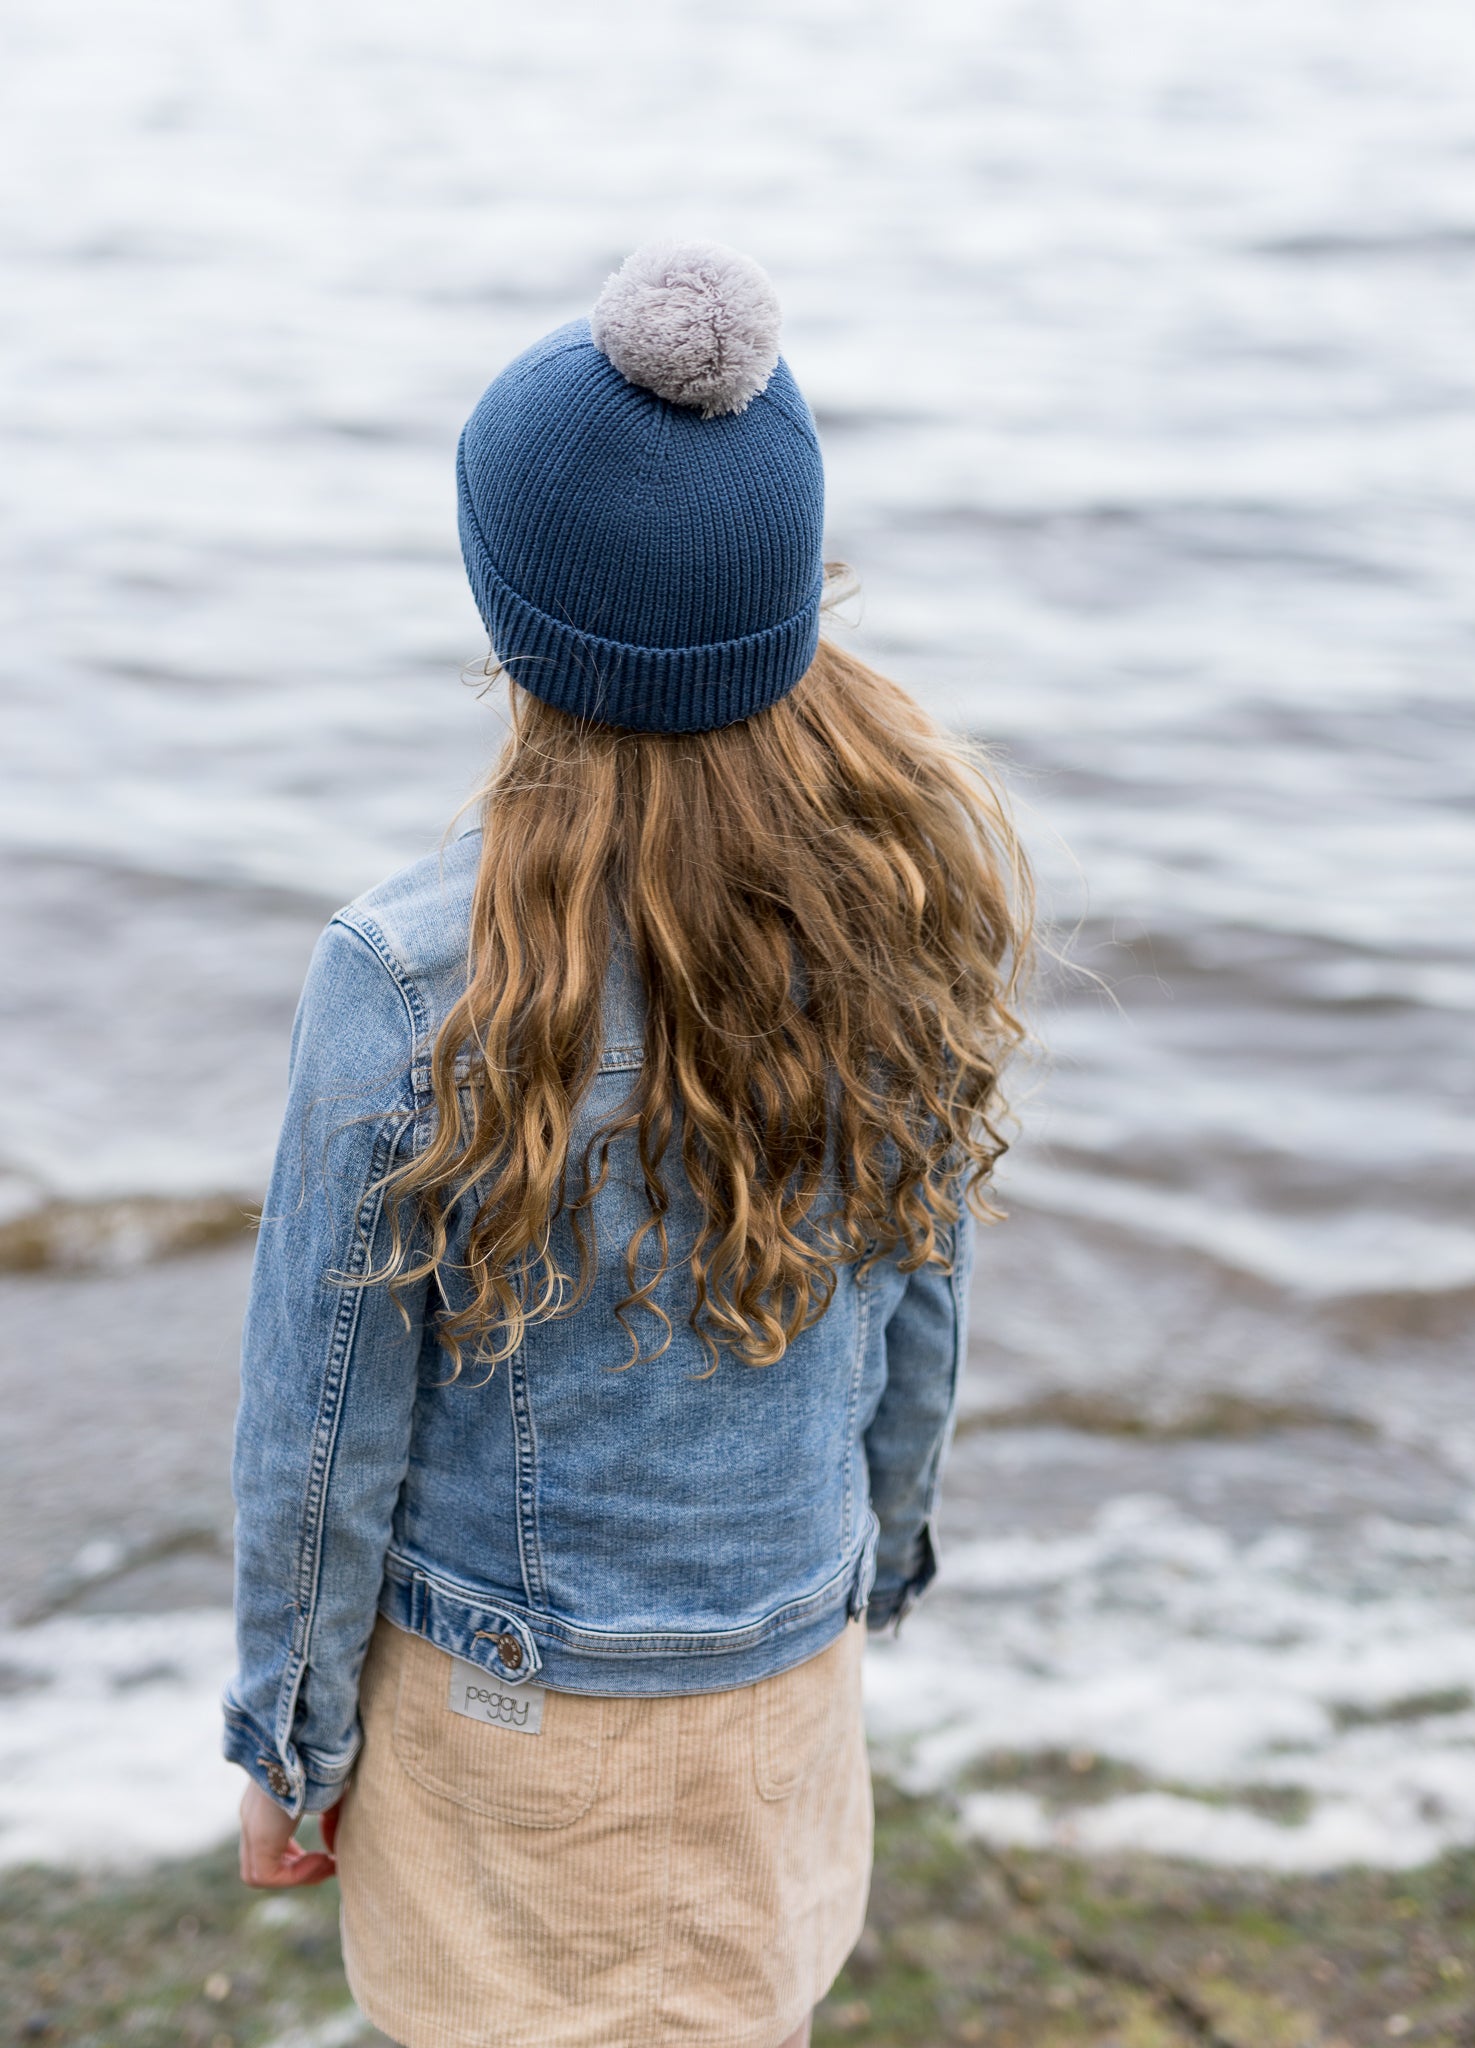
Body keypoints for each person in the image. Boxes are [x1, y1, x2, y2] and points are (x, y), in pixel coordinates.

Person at [224, 241, 1032, 2048]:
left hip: (502, 1736)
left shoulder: (408, 974)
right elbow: (923, 1297)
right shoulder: (887, 907)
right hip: (778, 1699)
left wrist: (289, 1736)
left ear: (512, 613)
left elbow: (325, 1414)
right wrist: (877, 1566)